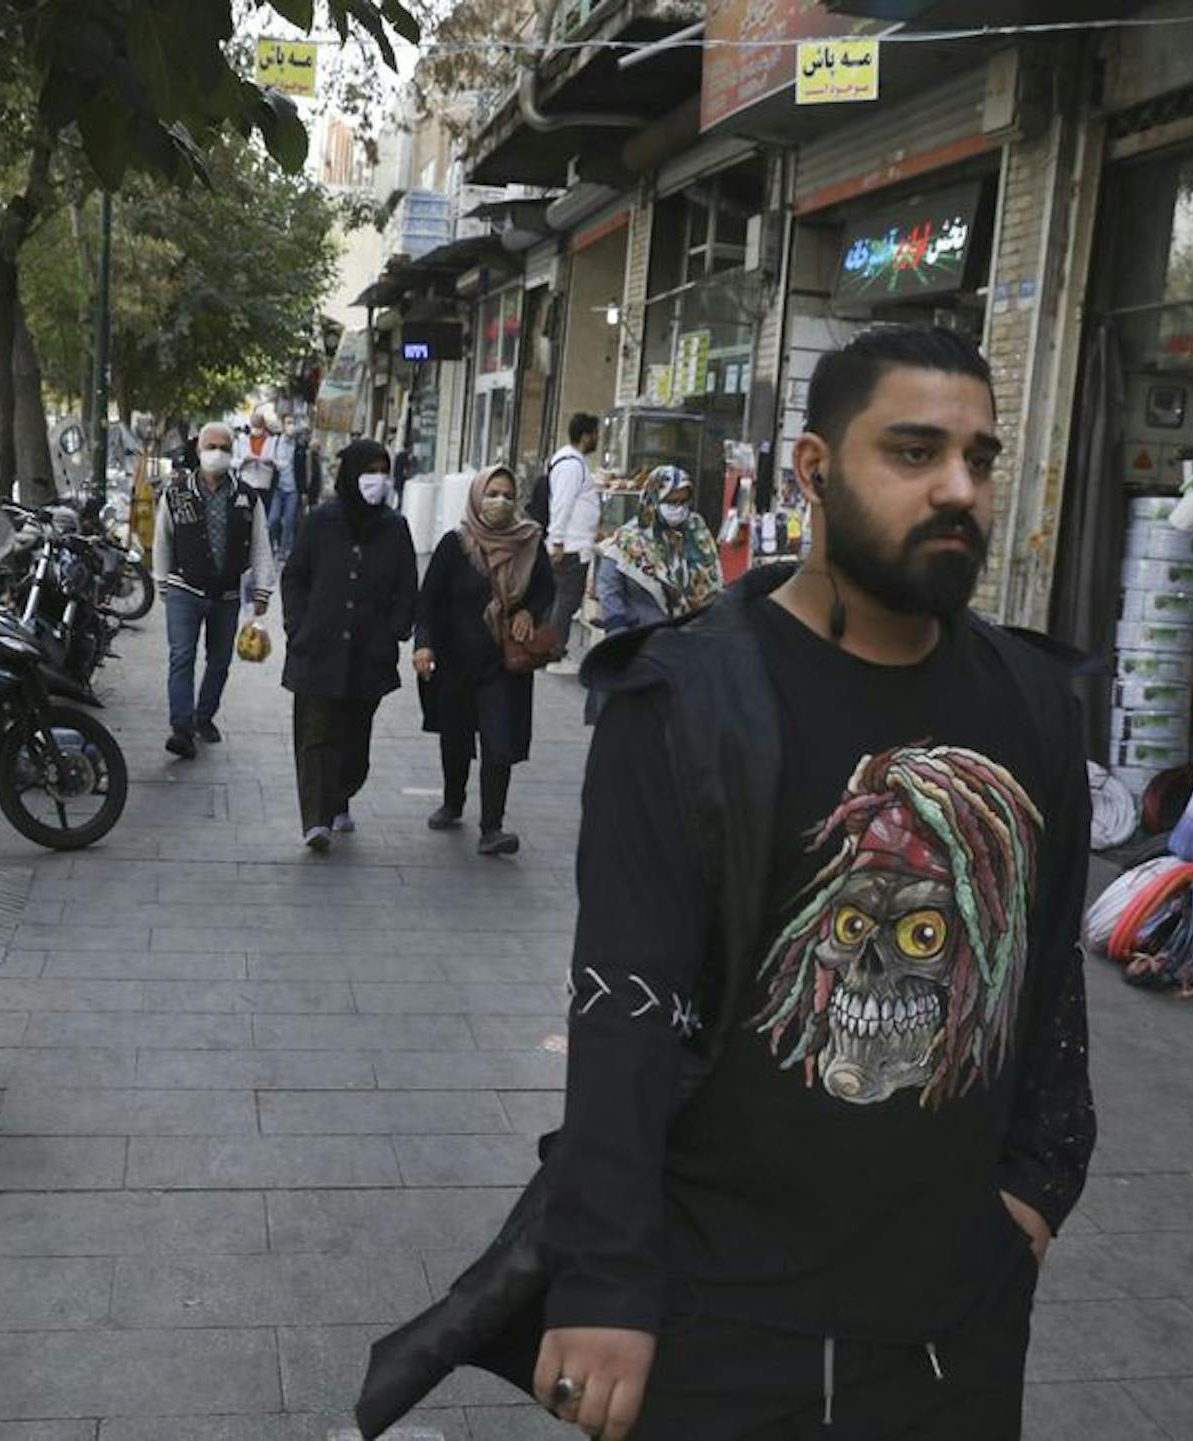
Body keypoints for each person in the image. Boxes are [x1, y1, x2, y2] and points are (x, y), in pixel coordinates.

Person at [419, 327, 1089, 1441]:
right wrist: (605, 1281)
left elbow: (1044, 960)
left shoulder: (1031, 703)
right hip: (721, 1314)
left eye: (980, 458)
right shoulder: (687, 702)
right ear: (813, 471)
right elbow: (622, 1007)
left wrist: (1035, 1187)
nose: (959, 489)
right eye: (915, 453)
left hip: (954, 1323)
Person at [281, 438, 416, 853]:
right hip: (317, 648)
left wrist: (396, 627)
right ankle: (316, 820)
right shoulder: (321, 520)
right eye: (368, 471)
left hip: (367, 653)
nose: (376, 480)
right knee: (315, 735)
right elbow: (295, 576)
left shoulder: (394, 527)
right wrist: (298, 625)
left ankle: (341, 796)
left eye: (382, 471)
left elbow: (407, 585)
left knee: (355, 741)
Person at [413, 466, 556, 858]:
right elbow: (428, 602)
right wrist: (424, 645)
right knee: (456, 737)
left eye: (509, 495)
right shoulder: (454, 545)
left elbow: (546, 588)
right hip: (457, 660)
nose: (501, 502)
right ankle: (453, 800)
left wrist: (530, 611)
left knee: (499, 743)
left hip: (503, 664)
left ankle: (492, 826)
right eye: (492, 493)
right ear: (477, 497)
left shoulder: (528, 542)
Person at [153, 421, 276, 759]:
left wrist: (263, 590)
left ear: (232, 453)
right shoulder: (176, 493)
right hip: (183, 589)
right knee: (182, 657)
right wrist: (161, 582)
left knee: (219, 661)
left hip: (228, 596)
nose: (217, 453)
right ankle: (181, 728)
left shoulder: (247, 497)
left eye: (224, 447)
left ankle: (203, 717)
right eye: (211, 447)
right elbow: (162, 537)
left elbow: (262, 545)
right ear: (198, 449)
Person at [594, 464, 723, 635]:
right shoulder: (629, 538)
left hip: (693, 636)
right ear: (653, 498)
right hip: (642, 637)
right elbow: (609, 586)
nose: (678, 508)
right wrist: (618, 629)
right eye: (671, 502)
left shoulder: (696, 530)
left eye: (683, 501)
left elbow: (711, 582)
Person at [544, 412, 602, 656]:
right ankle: (553, 647)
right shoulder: (570, 465)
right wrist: (557, 541)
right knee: (566, 599)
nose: (598, 439)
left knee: (563, 599)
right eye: (596, 434)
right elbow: (562, 504)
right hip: (570, 545)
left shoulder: (574, 463)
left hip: (574, 541)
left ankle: (549, 644)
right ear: (586, 436)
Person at [266, 419, 302, 560]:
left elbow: (302, 469)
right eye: (288, 423)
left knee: (289, 521)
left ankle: (284, 550)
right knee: (272, 520)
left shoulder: (298, 446)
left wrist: (304, 490)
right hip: (277, 488)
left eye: (292, 423)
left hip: (292, 489)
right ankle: (271, 546)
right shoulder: (274, 443)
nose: (291, 426)